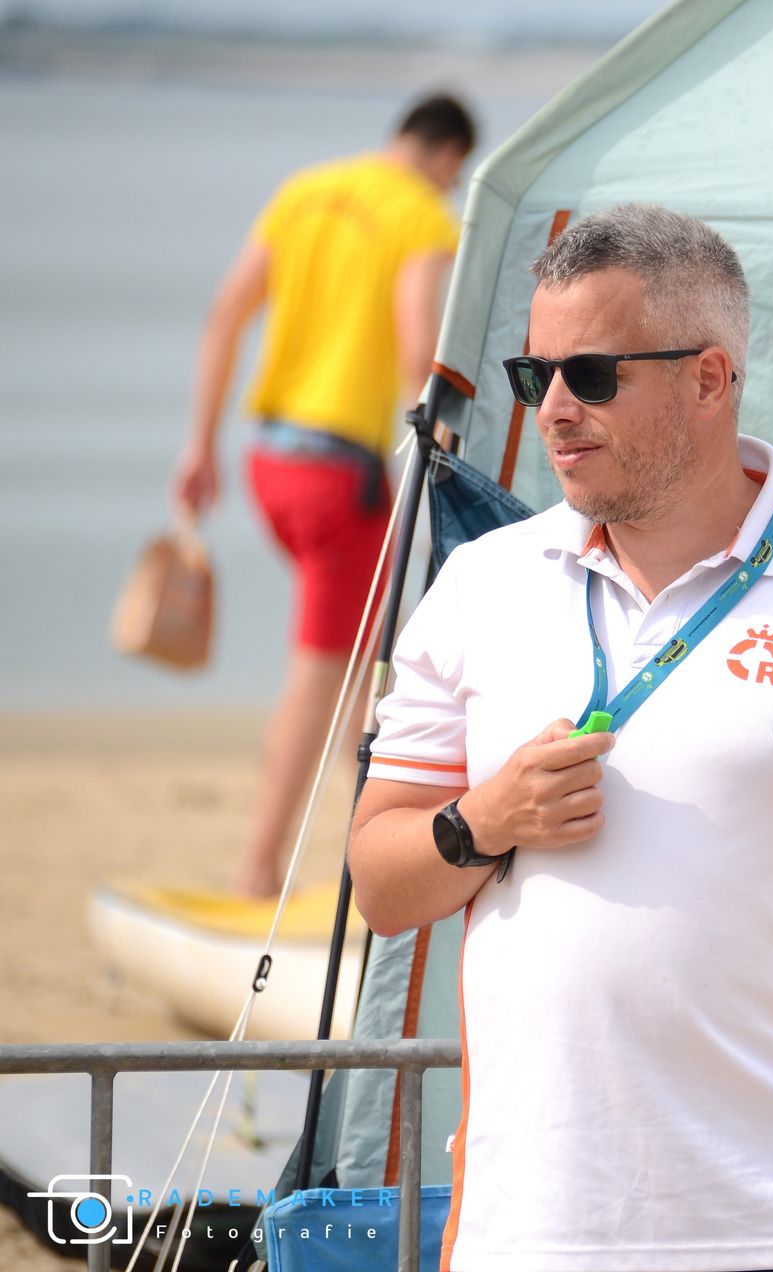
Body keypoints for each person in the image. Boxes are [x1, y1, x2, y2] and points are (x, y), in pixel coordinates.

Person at [347, 204, 773, 1272]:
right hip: (527, 1236)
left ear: (710, 379)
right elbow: (383, 888)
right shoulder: (479, 585)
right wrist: (482, 821)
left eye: (591, 375)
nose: (554, 411)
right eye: (534, 376)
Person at [170, 91, 474, 897]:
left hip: (268, 458)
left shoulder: (303, 190)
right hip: (340, 479)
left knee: (363, 665)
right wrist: (444, 448)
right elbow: (418, 343)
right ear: (449, 158)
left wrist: (198, 445)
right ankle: (258, 871)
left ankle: (370, 848)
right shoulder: (422, 215)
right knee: (324, 675)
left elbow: (223, 316)